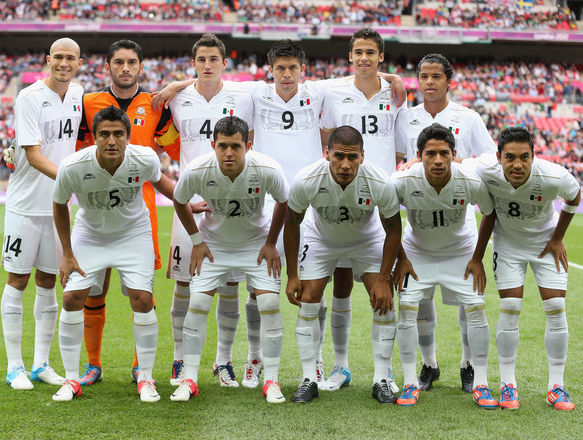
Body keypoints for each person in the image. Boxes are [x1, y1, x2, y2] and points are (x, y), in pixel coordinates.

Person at [154, 38, 406, 389]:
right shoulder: (254, 92)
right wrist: (176, 84)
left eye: (293, 68)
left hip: (313, 200)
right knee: (259, 288)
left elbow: (361, 73)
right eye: (280, 69)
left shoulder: (318, 92)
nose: (287, 75)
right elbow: (210, 78)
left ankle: (318, 364)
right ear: (269, 72)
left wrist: (392, 77)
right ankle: (255, 360)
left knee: (322, 283)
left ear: (304, 71)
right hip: (268, 201)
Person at [51, 106, 177, 402]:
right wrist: (67, 253)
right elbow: (58, 204)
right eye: (104, 134)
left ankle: (145, 377)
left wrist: (186, 202)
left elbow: (161, 183)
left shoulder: (144, 158)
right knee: (71, 297)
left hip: (133, 234)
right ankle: (71, 379)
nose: (111, 140)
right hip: (90, 235)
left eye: (118, 134)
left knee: (143, 298)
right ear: (93, 137)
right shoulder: (72, 166)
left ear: (128, 137)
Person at [74, 39, 182, 387]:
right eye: (118, 62)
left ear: (140, 66)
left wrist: (180, 86)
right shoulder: (88, 103)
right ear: (108, 66)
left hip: (139, 213)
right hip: (95, 211)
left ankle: (141, 367)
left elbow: (177, 146)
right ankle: (93, 365)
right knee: (93, 291)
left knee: (142, 294)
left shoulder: (155, 104)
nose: (125, 68)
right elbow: (72, 150)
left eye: (131, 62)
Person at [395, 53, 497, 393]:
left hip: (458, 222)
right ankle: (429, 364)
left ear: (448, 80)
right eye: (423, 76)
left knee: (469, 306)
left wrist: (457, 161)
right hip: (420, 224)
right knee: (419, 303)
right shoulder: (405, 118)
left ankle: (469, 365)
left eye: (436, 76)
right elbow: (399, 161)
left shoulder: (467, 118)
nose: (428, 82)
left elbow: (490, 158)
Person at [169, 116, 289, 403]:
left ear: (248, 145)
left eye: (236, 146)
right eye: (222, 146)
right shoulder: (198, 169)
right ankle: (189, 379)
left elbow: (284, 202)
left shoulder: (267, 169)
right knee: (197, 303)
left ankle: (271, 380)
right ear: (213, 145)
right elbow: (178, 198)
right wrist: (196, 241)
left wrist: (271, 242)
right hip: (214, 246)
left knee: (270, 303)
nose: (229, 153)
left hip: (255, 244)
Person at [285, 125, 402, 404]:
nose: (345, 165)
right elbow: (291, 225)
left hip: (366, 239)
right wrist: (292, 275)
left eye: (352, 157)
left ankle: (381, 378)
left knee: (383, 300)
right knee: (310, 297)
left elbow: (394, 228)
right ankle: (308, 378)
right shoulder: (307, 179)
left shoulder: (379, 181)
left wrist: (385, 278)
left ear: (363, 156)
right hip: (322, 238)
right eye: (339, 156)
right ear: (327, 154)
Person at [318, 27, 406, 393]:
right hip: (343, 194)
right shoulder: (332, 90)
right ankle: (340, 367)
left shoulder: (396, 93)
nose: (364, 58)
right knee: (340, 284)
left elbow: (400, 150)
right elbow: (326, 141)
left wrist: (395, 78)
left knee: (392, 284)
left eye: (371, 52)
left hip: (382, 198)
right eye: (358, 52)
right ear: (350, 56)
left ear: (380, 57)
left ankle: (391, 372)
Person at [165, 33, 255, 388]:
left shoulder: (243, 98)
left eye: (213, 60)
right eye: (200, 60)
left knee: (230, 283)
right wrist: (177, 85)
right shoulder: (176, 99)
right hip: (188, 203)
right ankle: (179, 358)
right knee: (184, 284)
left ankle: (223, 361)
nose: (207, 66)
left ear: (224, 63)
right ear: (193, 63)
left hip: (230, 202)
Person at [474, 126, 580, 410]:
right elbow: (457, 162)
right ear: (498, 157)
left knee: (556, 307)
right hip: (508, 245)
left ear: (534, 157)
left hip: (545, 243)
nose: (517, 164)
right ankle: (508, 385)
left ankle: (556, 387)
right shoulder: (485, 168)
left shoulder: (553, 176)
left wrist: (558, 237)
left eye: (524, 157)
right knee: (510, 307)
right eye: (510, 158)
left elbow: (574, 196)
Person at [0, 37, 83, 391]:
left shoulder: (79, 95)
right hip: (24, 205)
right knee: (18, 281)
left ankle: (40, 364)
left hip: (57, 207)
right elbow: (32, 154)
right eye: (58, 57)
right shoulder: (30, 97)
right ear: (48, 60)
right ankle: (14, 365)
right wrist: (75, 180)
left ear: (80, 63)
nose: (64, 63)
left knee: (49, 282)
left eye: (71, 58)